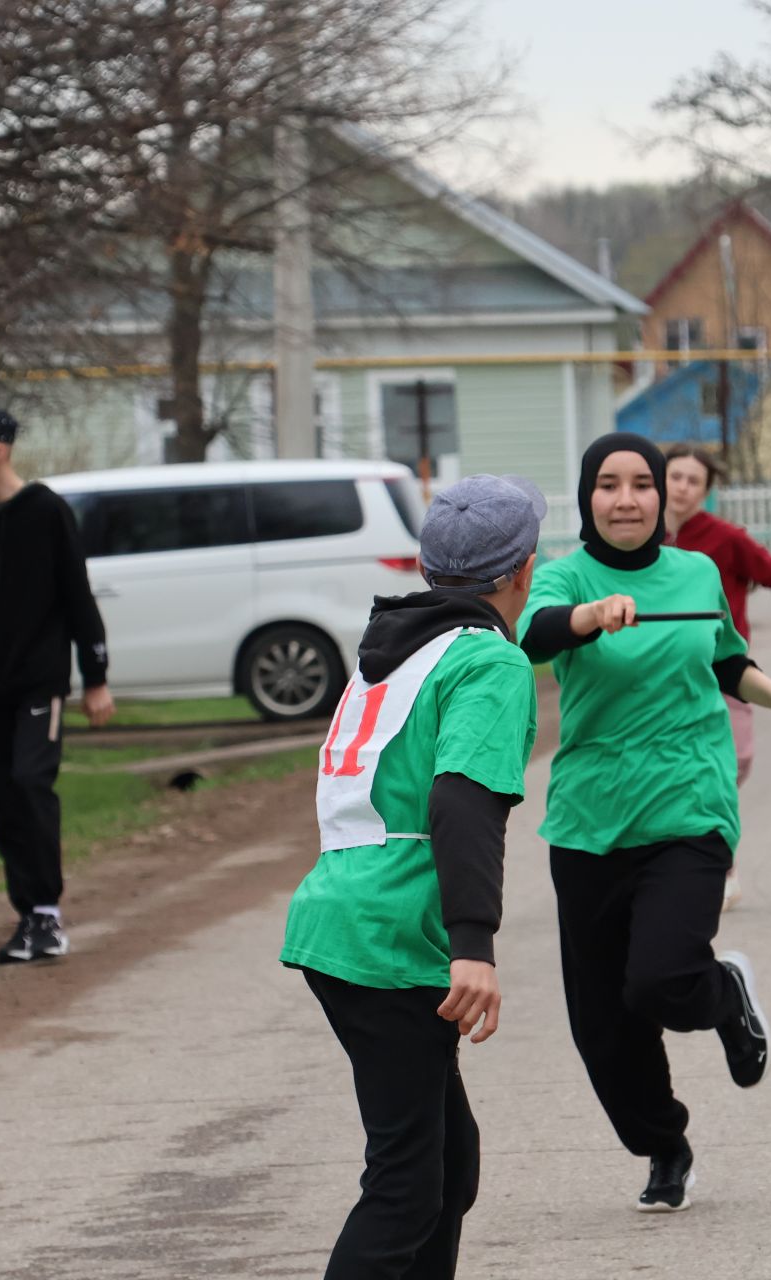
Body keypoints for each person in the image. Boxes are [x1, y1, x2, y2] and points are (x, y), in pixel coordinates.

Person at [517, 432, 771, 1213]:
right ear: (588, 498)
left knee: (660, 977)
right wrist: (591, 615)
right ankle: (664, 1144)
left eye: (642, 485)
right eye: (609, 486)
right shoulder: (562, 576)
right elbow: (536, 635)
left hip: (689, 799)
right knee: (602, 1022)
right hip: (590, 815)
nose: (627, 500)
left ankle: (723, 997)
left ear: (664, 496)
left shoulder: (694, 571)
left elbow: (723, 658)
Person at [282, 474, 544, 1280]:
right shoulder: (485, 662)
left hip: (340, 916)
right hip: (393, 935)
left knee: (445, 1167)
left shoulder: (394, 646)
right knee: (406, 1184)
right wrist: (475, 944)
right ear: (522, 572)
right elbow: (462, 802)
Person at [0, 403, 113, 965]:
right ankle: (27, 915)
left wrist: (96, 677)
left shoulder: (47, 511)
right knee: (5, 800)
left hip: (40, 685)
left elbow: (77, 595)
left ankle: (47, 913)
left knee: (31, 782)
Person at [664, 444, 771, 911]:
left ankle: (712, 850)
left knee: (735, 763)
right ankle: (709, 865)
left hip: (725, 671)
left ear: (707, 491)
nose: (683, 487)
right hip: (665, 678)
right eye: (675, 477)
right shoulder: (641, 541)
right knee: (688, 773)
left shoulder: (726, 538)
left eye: (694, 480)